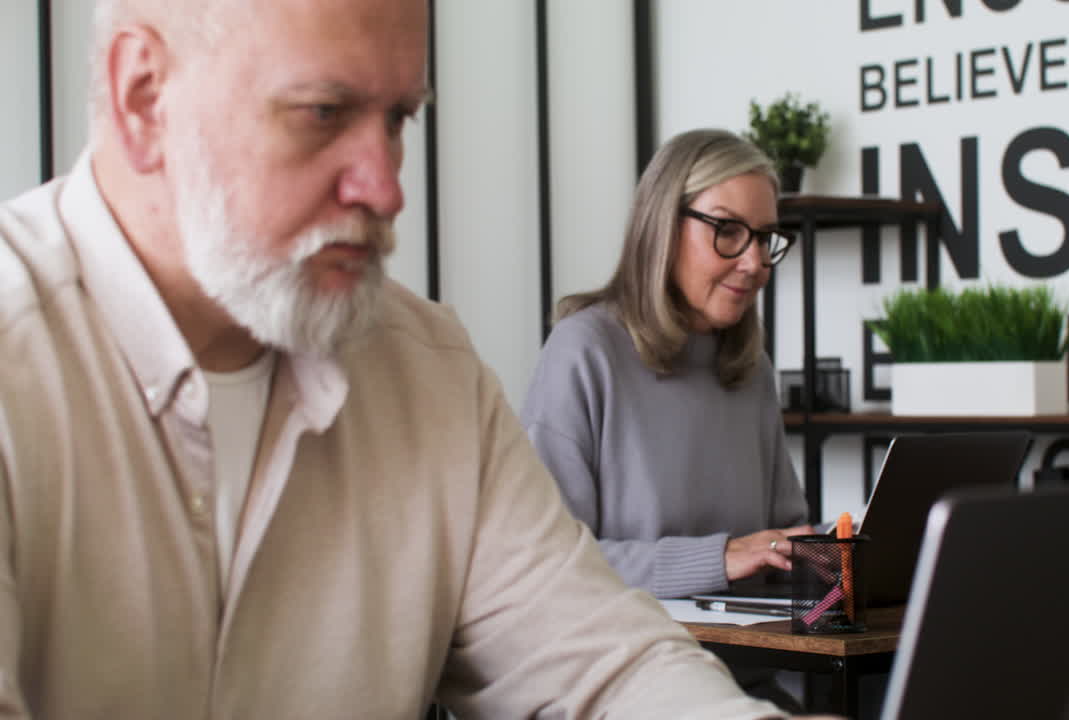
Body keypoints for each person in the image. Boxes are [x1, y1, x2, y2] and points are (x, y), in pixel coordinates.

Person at [0, 2, 841, 718]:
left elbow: (603, 661)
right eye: (324, 112)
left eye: (399, 119)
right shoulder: (17, 364)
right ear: (146, 98)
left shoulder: (431, 375)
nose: (388, 186)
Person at [521, 129, 814, 708]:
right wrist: (720, 557)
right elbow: (550, 568)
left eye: (766, 239)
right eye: (728, 232)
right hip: (619, 687)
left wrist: (823, 555)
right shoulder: (585, 351)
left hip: (744, 686)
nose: (754, 262)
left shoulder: (749, 369)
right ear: (663, 224)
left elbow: (779, 541)